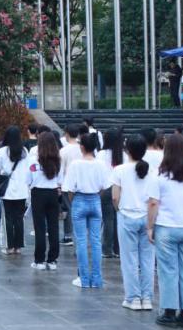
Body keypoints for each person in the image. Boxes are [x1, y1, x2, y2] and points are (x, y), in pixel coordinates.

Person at [148, 133, 183, 328]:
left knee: (168, 271)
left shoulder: (159, 175)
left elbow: (153, 203)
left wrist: (150, 226)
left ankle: (169, 311)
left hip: (166, 227)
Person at [112, 135, 156, 310]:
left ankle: (133, 298)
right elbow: (154, 199)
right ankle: (147, 298)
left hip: (126, 215)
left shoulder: (119, 170)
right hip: (147, 217)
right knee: (147, 259)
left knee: (129, 259)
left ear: (127, 150)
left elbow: (115, 197)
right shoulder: (152, 171)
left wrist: (119, 210)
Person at [64, 133, 108, 289]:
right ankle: (97, 279)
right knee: (96, 241)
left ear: (81, 147)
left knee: (81, 241)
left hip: (79, 200)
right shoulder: (101, 164)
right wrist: (95, 196)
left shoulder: (75, 164)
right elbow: (104, 186)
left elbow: (69, 188)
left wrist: (74, 201)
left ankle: (83, 279)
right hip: (95, 199)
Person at [29, 131, 63, 270]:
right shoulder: (58, 160)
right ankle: (52, 260)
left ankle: (39, 260)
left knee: (40, 228)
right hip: (53, 193)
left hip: (38, 193)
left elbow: (28, 179)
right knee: (54, 227)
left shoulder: (33, 161)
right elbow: (60, 180)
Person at [0, 126, 31, 255]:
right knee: (19, 218)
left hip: (7, 191)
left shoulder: (2, 152)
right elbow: (28, 169)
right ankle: (18, 246)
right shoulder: (24, 151)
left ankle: (9, 246)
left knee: (7, 219)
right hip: (22, 190)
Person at [98, 128, 124, 259]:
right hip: (120, 189)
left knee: (108, 219)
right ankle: (118, 249)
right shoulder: (123, 154)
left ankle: (107, 249)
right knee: (118, 219)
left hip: (106, 189)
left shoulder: (101, 154)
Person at [58, 123, 83, 246]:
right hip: (82, 184)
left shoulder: (63, 151)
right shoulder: (83, 148)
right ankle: (80, 234)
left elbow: (60, 170)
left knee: (69, 209)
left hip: (67, 185)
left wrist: (59, 185)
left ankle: (68, 235)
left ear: (67, 134)